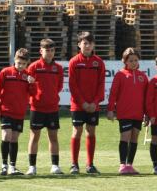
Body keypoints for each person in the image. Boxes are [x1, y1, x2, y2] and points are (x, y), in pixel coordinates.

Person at [68, 31, 106, 174]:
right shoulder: (74, 62)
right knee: (77, 132)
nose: (88, 45)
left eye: (90, 43)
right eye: (85, 43)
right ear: (79, 45)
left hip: (93, 105)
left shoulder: (99, 62)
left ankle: (90, 164)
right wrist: (83, 103)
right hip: (78, 105)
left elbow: (101, 84)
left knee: (91, 132)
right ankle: (74, 165)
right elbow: (73, 85)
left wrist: (95, 102)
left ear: (93, 45)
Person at [26, 38, 65, 175]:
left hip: (52, 108)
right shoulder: (33, 67)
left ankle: (55, 165)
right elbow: (28, 87)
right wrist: (35, 95)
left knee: (53, 137)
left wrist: (52, 96)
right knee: (34, 137)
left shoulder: (58, 68)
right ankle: (32, 167)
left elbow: (59, 86)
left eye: (52, 50)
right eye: (46, 50)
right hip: (37, 108)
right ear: (40, 51)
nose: (49, 53)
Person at [106, 47, 148, 174]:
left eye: (135, 60)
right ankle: (122, 164)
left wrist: (147, 113)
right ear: (125, 61)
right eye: (131, 60)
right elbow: (113, 94)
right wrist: (110, 110)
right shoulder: (120, 75)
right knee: (125, 136)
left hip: (138, 113)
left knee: (135, 138)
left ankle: (130, 164)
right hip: (124, 113)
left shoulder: (143, 76)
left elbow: (147, 97)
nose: (133, 62)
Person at [0, 48, 34, 175]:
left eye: (23, 64)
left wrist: (32, 84)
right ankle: (4, 165)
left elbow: (33, 93)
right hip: (6, 110)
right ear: (14, 60)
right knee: (6, 135)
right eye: (18, 63)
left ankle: (12, 166)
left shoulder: (27, 76)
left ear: (27, 63)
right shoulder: (5, 72)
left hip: (19, 112)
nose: (21, 66)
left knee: (15, 138)